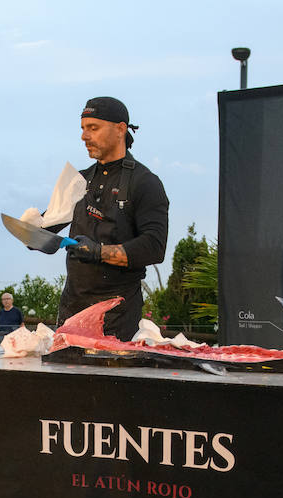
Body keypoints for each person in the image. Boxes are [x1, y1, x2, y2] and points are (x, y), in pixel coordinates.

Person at [57, 96, 169, 340]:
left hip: (116, 317)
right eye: (83, 129)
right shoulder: (79, 179)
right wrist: (32, 232)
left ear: (120, 129)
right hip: (72, 310)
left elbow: (154, 247)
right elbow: (50, 223)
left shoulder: (145, 182)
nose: (84, 136)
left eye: (93, 128)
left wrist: (99, 252)